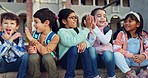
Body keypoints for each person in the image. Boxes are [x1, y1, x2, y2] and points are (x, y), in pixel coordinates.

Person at [57, 8, 94, 78]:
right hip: (67, 61)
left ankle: (89, 75)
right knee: (74, 48)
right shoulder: (62, 31)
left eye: (75, 17)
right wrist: (87, 29)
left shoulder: (79, 30)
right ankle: (69, 76)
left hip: (79, 60)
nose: (75, 20)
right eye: (71, 18)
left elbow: (88, 42)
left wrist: (84, 43)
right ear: (64, 21)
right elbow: (71, 42)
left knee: (84, 48)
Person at [25, 8, 59, 78]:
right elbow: (29, 48)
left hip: (49, 63)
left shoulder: (54, 37)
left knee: (47, 57)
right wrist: (30, 50)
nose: (34, 25)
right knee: (33, 57)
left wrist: (33, 40)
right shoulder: (34, 34)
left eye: (36, 22)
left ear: (46, 23)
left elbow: (46, 52)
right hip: (36, 64)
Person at [113, 11, 148, 78]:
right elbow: (116, 48)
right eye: (125, 21)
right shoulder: (122, 34)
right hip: (127, 60)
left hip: (139, 60)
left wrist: (143, 56)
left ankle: (145, 72)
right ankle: (130, 73)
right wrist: (130, 55)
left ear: (138, 24)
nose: (126, 23)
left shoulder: (143, 35)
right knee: (116, 54)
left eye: (130, 21)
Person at [85, 8, 116, 78]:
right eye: (99, 16)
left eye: (104, 16)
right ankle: (95, 75)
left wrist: (95, 28)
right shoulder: (89, 30)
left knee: (108, 54)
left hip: (106, 59)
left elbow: (105, 41)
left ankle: (111, 75)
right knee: (91, 49)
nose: (102, 18)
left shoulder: (107, 29)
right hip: (95, 59)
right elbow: (89, 44)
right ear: (92, 18)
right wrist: (92, 31)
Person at [0, 12, 28, 78]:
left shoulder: (18, 37)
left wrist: (11, 41)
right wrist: (9, 40)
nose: (8, 25)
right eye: (5, 23)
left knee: (25, 56)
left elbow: (21, 53)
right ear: (1, 25)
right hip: (3, 65)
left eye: (12, 23)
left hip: (16, 64)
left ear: (17, 26)